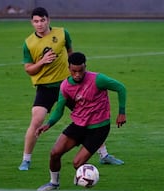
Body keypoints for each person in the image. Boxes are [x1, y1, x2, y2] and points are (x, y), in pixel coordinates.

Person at [19, 7, 123, 171]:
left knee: (90, 117)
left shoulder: (62, 33)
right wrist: (43, 61)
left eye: (42, 20)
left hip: (68, 87)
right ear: (32, 22)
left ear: (48, 20)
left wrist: (74, 74)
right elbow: (28, 69)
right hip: (45, 87)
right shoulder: (29, 43)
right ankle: (26, 160)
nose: (39, 24)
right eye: (36, 21)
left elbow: (70, 53)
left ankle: (104, 155)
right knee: (37, 120)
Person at [36, 52, 127, 191]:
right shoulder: (65, 86)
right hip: (78, 125)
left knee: (77, 163)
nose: (77, 74)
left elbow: (121, 87)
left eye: (81, 71)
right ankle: (54, 183)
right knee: (55, 153)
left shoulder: (98, 79)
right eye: (74, 71)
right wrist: (49, 123)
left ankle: (89, 178)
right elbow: (59, 109)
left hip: (99, 127)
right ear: (69, 68)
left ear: (85, 67)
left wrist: (121, 112)